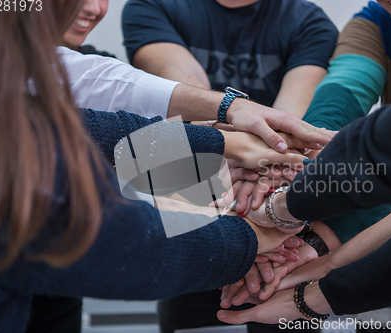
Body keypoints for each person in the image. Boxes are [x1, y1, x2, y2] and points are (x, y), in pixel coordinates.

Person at [0, 2, 317, 332]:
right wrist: (255, 227)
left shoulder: (75, 74)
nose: (92, 6)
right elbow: (131, 242)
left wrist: (229, 154)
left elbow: (123, 144)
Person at [216, 6, 391, 326]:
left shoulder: (305, 22)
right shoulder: (374, 22)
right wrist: (287, 167)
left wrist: (282, 202)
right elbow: (341, 95)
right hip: (388, 268)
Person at [122, 1, 337, 331]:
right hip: (192, 221)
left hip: (281, 236)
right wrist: (248, 150)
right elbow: (188, 98)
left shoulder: (308, 21)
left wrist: (258, 164)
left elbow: (287, 128)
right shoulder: (152, 5)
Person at [122, 0, 338, 119]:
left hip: (265, 166)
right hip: (180, 157)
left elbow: (288, 120)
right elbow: (188, 100)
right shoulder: (150, 6)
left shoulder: (313, 25)